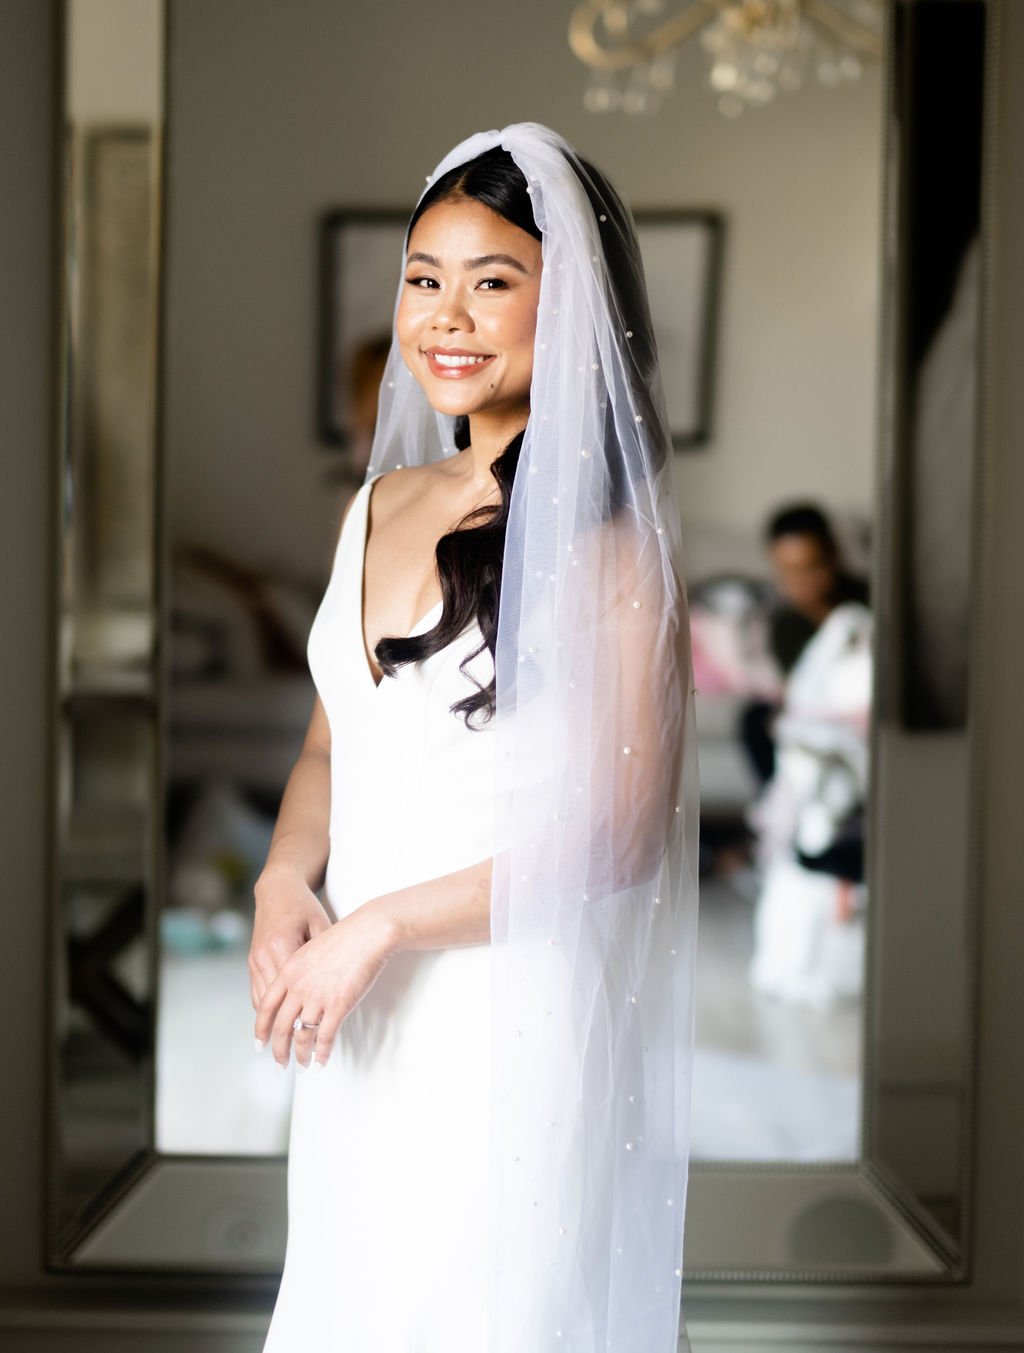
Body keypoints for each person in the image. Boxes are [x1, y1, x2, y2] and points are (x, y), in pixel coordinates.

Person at [249, 123, 699, 1352]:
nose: (445, 317)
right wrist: (285, 878)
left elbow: (616, 840)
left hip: (507, 1015)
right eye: (422, 279)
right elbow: (333, 746)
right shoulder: (378, 504)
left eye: (492, 281)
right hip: (361, 1010)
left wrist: (378, 926)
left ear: (576, 306)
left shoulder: (612, 548)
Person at [743, 502, 873, 1007]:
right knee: (758, 724)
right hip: (814, 726)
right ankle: (784, 825)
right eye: (789, 572)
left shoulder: (866, 606)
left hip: (860, 726)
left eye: (812, 568)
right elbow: (802, 692)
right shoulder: (785, 624)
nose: (803, 583)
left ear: (834, 558)